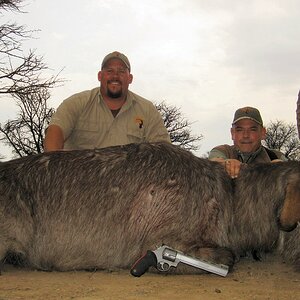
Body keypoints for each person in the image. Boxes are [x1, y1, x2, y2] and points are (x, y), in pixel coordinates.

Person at [44, 51, 170, 151]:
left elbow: (165, 150)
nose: (115, 76)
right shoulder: (77, 103)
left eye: (121, 71)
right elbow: (55, 131)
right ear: (100, 76)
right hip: (80, 181)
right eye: (109, 71)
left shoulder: (147, 110)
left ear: (130, 78)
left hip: (131, 182)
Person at [208, 106, 287, 178]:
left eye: (252, 130)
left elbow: (291, 171)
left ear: (263, 133)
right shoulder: (222, 151)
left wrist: (282, 169)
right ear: (232, 133)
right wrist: (225, 164)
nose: (246, 135)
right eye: (239, 130)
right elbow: (214, 161)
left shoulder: (276, 156)